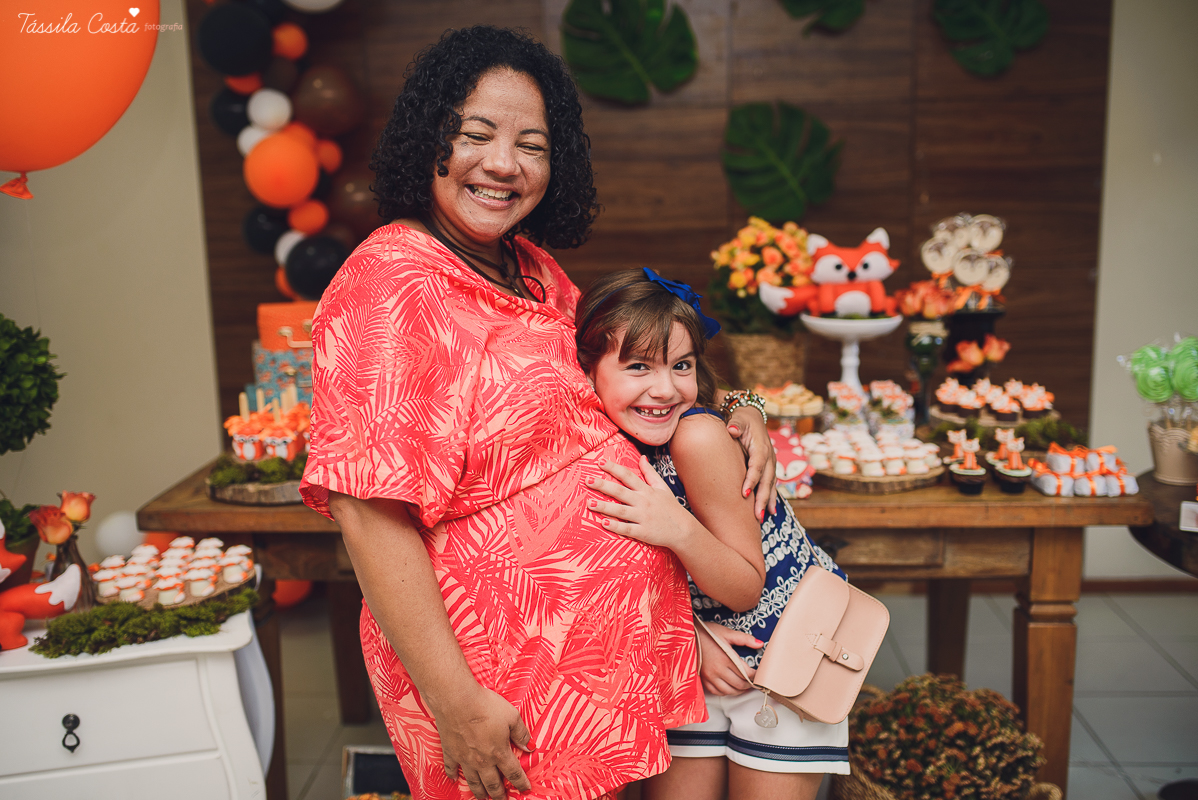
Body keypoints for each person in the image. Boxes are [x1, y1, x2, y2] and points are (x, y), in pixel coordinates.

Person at [298, 26, 778, 800]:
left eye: (532, 144)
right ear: (430, 141)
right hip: (494, 675)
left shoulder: (534, 270)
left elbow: (624, 394)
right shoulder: (389, 284)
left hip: (596, 669)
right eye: (475, 135)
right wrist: (456, 705)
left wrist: (743, 408)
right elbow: (367, 513)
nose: (502, 164)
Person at [577, 268, 850, 800]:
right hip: (691, 653)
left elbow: (747, 585)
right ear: (586, 371)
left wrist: (674, 526)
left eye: (681, 365)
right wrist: (693, 635)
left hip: (782, 656)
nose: (665, 388)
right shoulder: (601, 438)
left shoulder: (698, 435)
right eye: (638, 367)